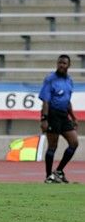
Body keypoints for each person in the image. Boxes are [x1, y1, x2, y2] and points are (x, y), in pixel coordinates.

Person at [39, 54, 79, 183]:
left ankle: (59, 171)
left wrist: (73, 116)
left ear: (69, 65)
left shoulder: (69, 81)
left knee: (74, 143)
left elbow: (67, 101)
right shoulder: (50, 79)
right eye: (59, 63)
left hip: (64, 115)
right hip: (52, 114)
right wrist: (44, 119)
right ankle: (48, 176)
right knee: (52, 146)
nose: (61, 65)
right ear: (57, 64)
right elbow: (45, 101)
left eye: (64, 63)